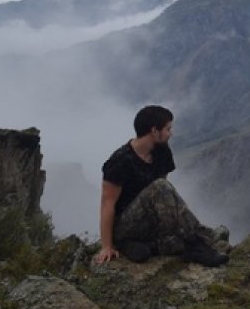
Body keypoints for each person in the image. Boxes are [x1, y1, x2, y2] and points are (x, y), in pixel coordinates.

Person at [92, 105, 228, 267]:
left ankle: (147, 247)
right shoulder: (120, 162)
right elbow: (107, 204)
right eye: (168, 129)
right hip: (124, 225)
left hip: (147, 222)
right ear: (154, 131)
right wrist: (107, 246)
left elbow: (164, 201)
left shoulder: (161, 151)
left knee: (173, 234)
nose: (171, 133)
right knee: (160, 187)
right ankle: (196, 244)